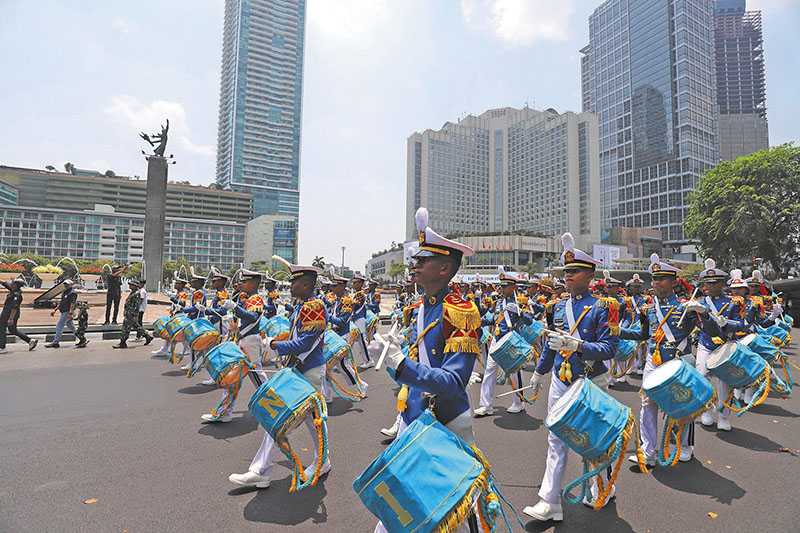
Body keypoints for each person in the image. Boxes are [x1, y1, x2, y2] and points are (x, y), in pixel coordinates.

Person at [378, 207, 481, 533]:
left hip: (445, 419)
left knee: (455, 512)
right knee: (400, 504)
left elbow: (452, 382)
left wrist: (401, 366)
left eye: (423, 261)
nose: (415, 264)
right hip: (416, 416)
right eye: (416, 259)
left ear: (445, 268)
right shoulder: (421, 307)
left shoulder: (460, 311)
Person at [523, 232, 618, 522]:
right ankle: (550, 500)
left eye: (574, 271)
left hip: (591, 381)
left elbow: (609, 348)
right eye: (565, 271)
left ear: (589, 274)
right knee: (555, 438)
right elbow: (551, 343)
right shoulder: (555, 307)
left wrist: (578, 346)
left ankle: (601, 485)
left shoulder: (605, 306)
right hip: (560, 380)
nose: (567, 276)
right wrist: (539, 372)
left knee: (593, 439)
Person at [228, 263, 330, 488]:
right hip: (301, 369)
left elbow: (306, 343)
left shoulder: (314, 306)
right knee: (294, 420)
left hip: (308, 370)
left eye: (294, 282)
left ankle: (262, 470)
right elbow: (297, 334)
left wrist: (276, 345)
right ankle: (261, 470)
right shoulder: (303, 305)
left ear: (305, 284)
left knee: (291, 420)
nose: (290, 285)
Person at [621, 254, 697, 466]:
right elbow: (643, 335)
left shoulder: (685, 307)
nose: (656, 283)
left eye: (661, 278)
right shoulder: (648, 308)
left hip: (677, 363)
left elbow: (712, 330)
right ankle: (648, 451)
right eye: (654, 278)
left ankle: (682, 445)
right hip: (653, 362)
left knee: (681, 405)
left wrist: (707, 316)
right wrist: (619, 331)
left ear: (673, 282)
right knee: (648, 404)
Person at [685, 258, 747, 431]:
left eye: (714, 283)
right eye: (707, 283)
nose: (709, 286)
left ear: (722, 284)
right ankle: (706, 410)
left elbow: (742, 325)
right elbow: (693, 323)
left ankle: (723, 416)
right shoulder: (700, 302)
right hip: (705, 343)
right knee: (701, 377)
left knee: (723, 383)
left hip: (725, 346)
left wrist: (725, 322)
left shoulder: (734, 302)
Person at [474, 271, 533, 417]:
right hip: (497, 339)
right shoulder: (499, 302)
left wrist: (519, 313)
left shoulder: (520, 302)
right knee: (489, 371)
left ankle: (519, 403)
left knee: (513, 372)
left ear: (513, 287)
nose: (501, 288)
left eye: (505, 286)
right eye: (501, 286)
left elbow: (529, 321)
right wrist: (477, 321)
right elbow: (491, 319)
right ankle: (485, 405)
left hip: (511, 339)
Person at [0, 277, 38, 353]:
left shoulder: (17, 295)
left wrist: (11, 318)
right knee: (13, 330)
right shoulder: (13, 290)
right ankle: (30, 341)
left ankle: (2, 347)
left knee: (1, 329)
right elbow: (5, 284)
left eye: (13, 283)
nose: (11, 283)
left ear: (16, 285)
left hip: (10, 314)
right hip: (8, 313)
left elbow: (15, 307)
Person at [113, 279, 153, 349]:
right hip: (129, 313)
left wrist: (131, 314)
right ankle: (148, 337)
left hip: (131, 314)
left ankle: (122, 342)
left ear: (135, 286)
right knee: (137, 327)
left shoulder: (136, 293)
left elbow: (136, 305)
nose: (129, 286)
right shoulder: (133, 292)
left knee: (125, 328)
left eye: (131, 285)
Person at [45, 279, 78, 348]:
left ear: (71, 285)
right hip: (63, 311)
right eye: (65, 284)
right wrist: (55, 310)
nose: (65, 286)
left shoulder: (72, 293)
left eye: (67, 284)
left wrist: (70, 313)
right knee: (71, 327)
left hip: (67, 312)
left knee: (59, 326)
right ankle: (82, 338)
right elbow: (62, 302)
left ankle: (56, 342)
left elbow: (73, 304)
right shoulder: (65, 292)